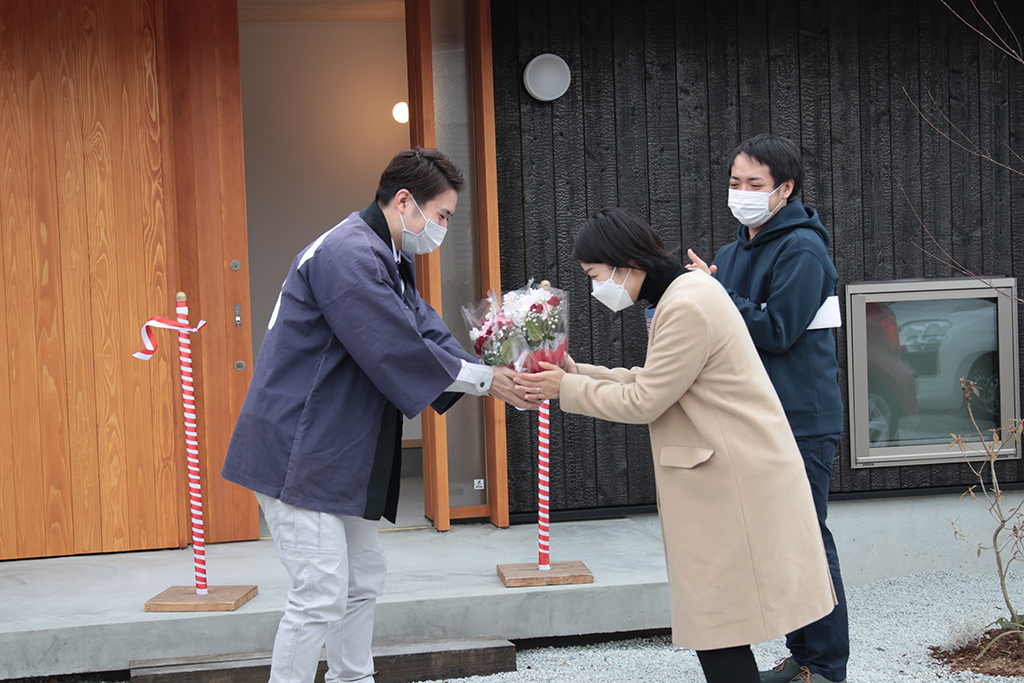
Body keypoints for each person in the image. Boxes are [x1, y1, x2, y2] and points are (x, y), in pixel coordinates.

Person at [222, 147, 534, 683]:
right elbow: (392, 345)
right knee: (319, 592)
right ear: (405, 200)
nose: (440, 229)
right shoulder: (347, 252)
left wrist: (496, 370)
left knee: (363, 578)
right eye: (441, 217)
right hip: (295, 445)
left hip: (333, 444)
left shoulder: (386, 252)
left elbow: (425, 329)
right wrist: (487, 382)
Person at [514, 207, 836, 683]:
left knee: (715, 621)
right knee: (719, 619)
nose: (595, 288)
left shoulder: (685, 304)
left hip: (731, 479)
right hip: (731, 472)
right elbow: (659, 380)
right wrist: (576, 374)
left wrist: (562, 389)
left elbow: (646, 399)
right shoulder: (685, 292)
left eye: (595, 275)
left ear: (625, 264)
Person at [687, 133, 848, 683]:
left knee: (807, 540)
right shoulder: (732, 253)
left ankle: (825, 665)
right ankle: (803, 655)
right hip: (754, 421)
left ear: (785, 190)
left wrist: (713, 293)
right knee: (782, 545)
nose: (742, 192)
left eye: (755, 184)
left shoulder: (804, 249)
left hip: (802, 419)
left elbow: (775, 331)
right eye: (735, 182)